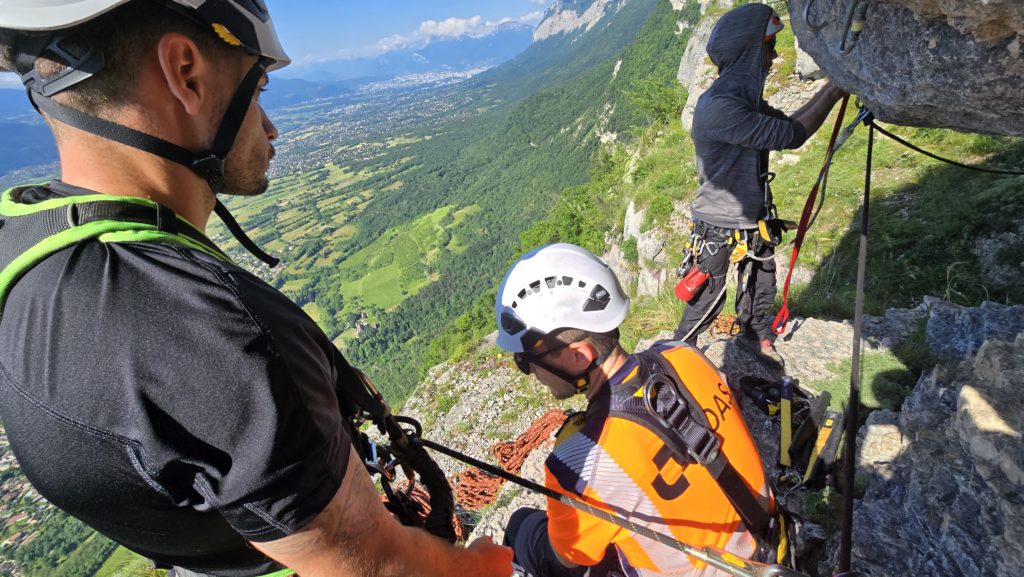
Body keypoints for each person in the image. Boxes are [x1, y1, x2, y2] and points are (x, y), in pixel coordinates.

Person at [0, 2, 512, 576]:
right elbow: (385, 566)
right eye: (259, 88)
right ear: (185, 73)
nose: (269, 127)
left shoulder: (26, 246)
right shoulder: (204, 331)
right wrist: (485, 565)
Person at [495, 244, 780, 577]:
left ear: (578, 357)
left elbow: (569, 558)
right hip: (768, 540)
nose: (530, 373)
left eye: (526, 361)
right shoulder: (684, 354)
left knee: (521, 527)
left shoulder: (577, 466)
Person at [672, 4, 847, 365]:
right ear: (751, 50)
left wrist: (833, 88)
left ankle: (756, 344)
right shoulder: (722, 107)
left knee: (759, 294)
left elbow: (789, 121)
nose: (775, 54)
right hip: (721, 226)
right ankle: (674, 359)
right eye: (769, 45)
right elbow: (792, 134)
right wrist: (833, 90)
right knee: (705, 303)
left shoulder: (741, 101)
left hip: (750, 221)